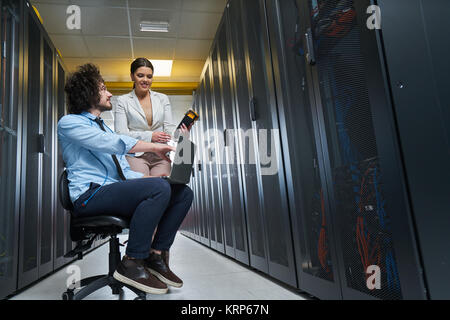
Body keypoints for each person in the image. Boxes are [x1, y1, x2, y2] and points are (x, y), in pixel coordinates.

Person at [57, 63, 193, 295]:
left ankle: (156, 255)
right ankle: (132, 261)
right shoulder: (69, 123)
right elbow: (113, 144)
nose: (109, 94)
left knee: (182, 193)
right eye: (103, 89)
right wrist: (155, 147)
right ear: (89, 93)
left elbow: (123, 169)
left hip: (111, 191)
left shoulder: (104, 129)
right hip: (90, 196)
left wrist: (151, 182)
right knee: (158, 188)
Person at [114, 57, 191, 177]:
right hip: (137, 154)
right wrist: (151, 136)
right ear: (132, 76)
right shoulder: (123, 101)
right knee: (143, 188)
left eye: (149, 76)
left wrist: (182, 134)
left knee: (164, 188)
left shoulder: (162, 98)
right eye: (140, 75)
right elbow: (120, 134)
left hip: (160, 155)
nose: (145, 80)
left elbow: (168, 130)